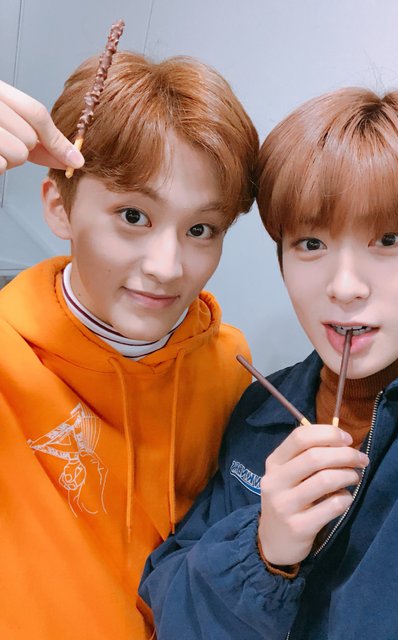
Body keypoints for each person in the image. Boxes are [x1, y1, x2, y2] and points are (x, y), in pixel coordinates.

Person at [140, 87, 398, 639]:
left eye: (388, 239)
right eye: (311, 244)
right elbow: (169, 609)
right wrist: (264, 552)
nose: (344, 287)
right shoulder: (262, 407)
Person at [0, 50, 258, 639]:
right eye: (133, 216)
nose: (167, 267)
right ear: (58, 207)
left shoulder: (231, 368)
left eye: (201, 229)